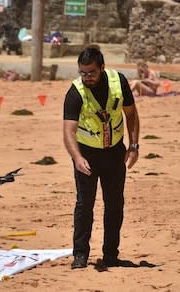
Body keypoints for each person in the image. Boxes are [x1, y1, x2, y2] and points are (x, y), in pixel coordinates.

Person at [63, 47, 140, 269]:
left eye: (91, 73)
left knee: (115, 205)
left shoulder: (119, 82)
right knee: (84, 205)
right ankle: (80, 255)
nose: (87, 78)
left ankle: (110, 255)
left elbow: (131, 115)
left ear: (102, 68)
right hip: (86, 155)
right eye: (83, 73)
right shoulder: (75, 93)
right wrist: (77, 157)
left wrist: (134, 146)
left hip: (115, 152)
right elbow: (68, 132)